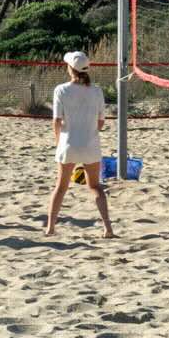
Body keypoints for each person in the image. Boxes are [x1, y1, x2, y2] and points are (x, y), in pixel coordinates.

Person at [46, 51, 114, 238]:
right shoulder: (97, 91)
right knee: (95, 187)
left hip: (68, 143)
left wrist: (58, 141)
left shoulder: (61, 90)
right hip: (90, 143)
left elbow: (57, 121)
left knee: (61, 187)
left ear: (71, 69)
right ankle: (107, 228)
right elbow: (101, 123)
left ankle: (50, 227)